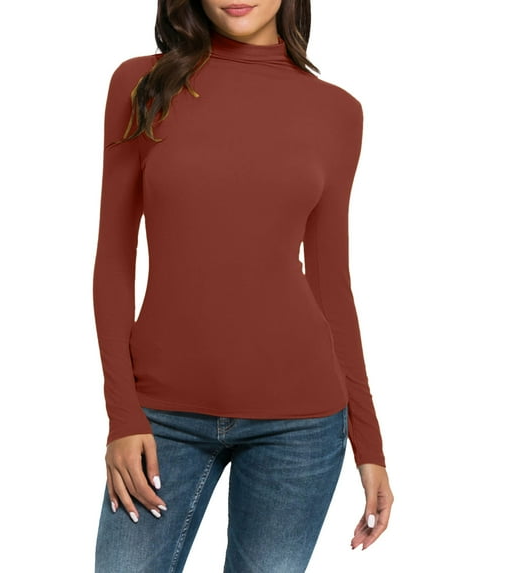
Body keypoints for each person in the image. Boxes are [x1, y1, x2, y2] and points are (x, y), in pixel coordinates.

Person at [93, 1, 394, 571]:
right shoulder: (142, 84)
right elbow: (113, 259)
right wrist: (122, 416)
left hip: (300, 426)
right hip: (162, 415)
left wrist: (369, 443)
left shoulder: (337, 111)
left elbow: (331, 284)